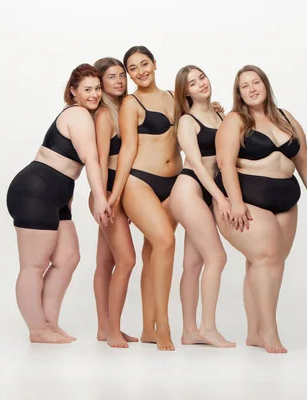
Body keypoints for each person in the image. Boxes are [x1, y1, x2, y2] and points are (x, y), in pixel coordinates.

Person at [214, 65, 307, 353]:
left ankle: (254, 332)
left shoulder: (286, 118)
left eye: (256, 83)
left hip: (286, 200)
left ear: (265, 86)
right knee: (268, 258)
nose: (252, 89)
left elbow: (303, 159)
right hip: (249, 198)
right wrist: (236, 202)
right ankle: (269, 330)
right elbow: (226, 163)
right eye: (245, 86)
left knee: (267, 262)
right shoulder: (235, 120)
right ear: (238, 93)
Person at [6, 63, 112, 343]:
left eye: (97, 88)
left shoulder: (88, 115)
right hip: (34, 191)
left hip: (56, 196)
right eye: (87, 89)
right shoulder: (77, 114)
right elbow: (91, 159)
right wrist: (100, 198)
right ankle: (37, 330)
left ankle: (49, 323)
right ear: (73, 92)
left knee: (67, 258)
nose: (93, 94)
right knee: (33, 265)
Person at [108, 45, 182, 351]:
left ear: (155, 64)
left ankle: (148, 327)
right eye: (133, 68)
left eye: (144, 64)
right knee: (166, 242)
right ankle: (163, 326)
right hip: (140, 182)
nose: (140, 71)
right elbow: (127, 149)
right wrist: (115, 194)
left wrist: (214, 108)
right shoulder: (130, 103)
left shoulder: (172, 97)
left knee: (154, 253)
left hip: (173, 183)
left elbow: (191, 128)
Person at [168, 65, 235, 348]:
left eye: (202, 77)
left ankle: (189, 332)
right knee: (217, 258)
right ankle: (208, 328)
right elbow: (195, 163)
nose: (200, 84)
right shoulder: (187, 121)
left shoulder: (220, 114)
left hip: (207, 192)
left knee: (193, 264)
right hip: (189, 190)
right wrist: (221, 198)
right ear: (186, 92)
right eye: (193, 83)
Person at [88, 57, 138, 348]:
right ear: (101, 82)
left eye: (122, 75)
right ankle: (113, 331)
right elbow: (99, 161)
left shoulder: (125, 108)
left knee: (106, 262)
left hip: (116, 194)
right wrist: (107, 199)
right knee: (127, 260)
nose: (119, 81)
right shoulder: (105, 116)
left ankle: (104, 328)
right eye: (112, 77)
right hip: (107, 195)